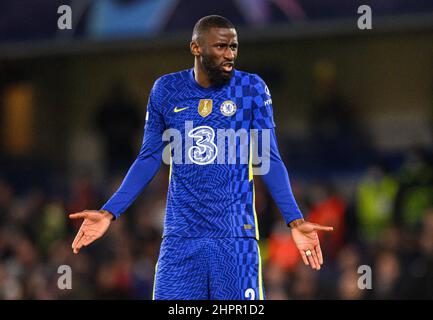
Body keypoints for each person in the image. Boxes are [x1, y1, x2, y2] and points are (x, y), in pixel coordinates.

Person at [69, 15, 333, 300]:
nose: (230, 54)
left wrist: (294, 219)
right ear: (196, 48)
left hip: (235, 238)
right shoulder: (166, 90)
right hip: (181, 238)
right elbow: (148, 158)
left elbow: (269, 158)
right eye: (221, 46)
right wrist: (110, 211)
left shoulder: (251, 89)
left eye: (233, 46)